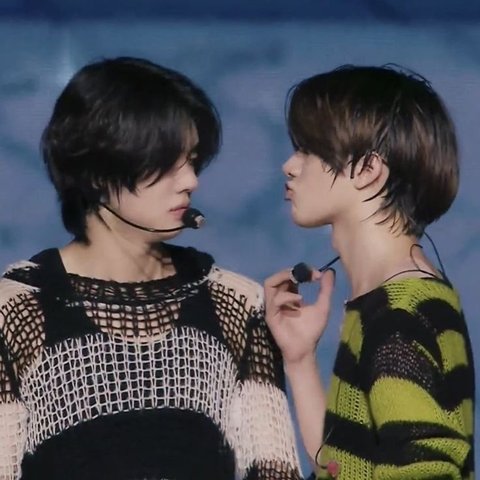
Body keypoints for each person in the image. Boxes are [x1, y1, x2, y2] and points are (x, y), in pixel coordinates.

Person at [0, 57, 302, 480]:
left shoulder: (235, 302)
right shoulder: (16, 310)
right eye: (168, 162)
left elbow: (274, 469)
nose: (191, 181)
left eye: (192, 160)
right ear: (97, 171)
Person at [264, 65, 475, 480]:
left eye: (308, 149)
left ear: (368, 170)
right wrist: (300, 360)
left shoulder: (401, 314)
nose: (289, 166)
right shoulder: (398, 300)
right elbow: (342, 469)